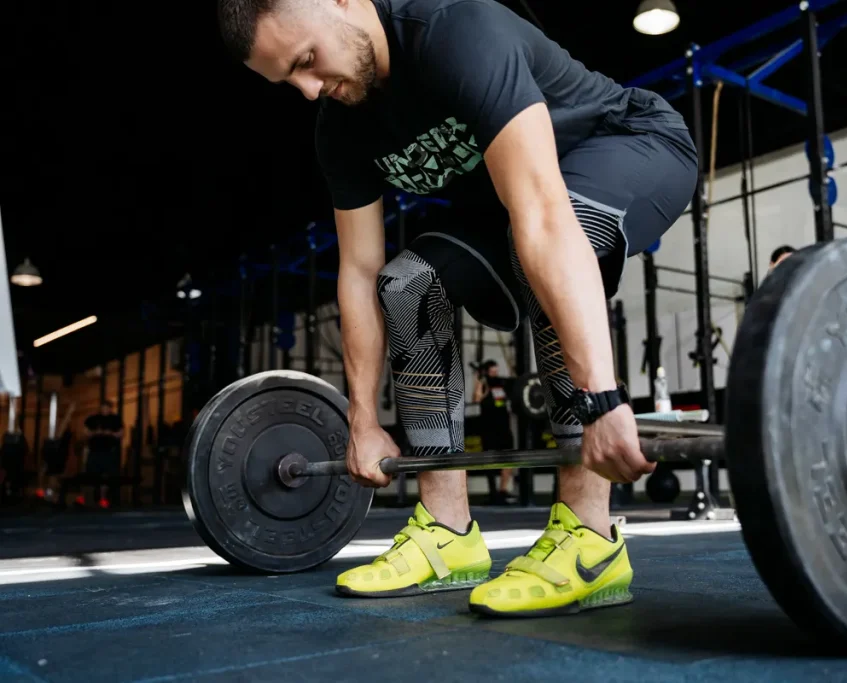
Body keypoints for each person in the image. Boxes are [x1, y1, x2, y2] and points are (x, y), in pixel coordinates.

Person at [218, 0, 698, 616]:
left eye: (307, 61)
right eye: (289, 80)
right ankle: (446, 532)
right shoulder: (342, 124)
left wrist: (602, 399)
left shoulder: (455, 31)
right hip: (516, 206)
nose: (310, 90)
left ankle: (590, 538)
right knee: (407, 285)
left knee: (545, 246)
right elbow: (360, 272)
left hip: (630, 143)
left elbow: (547, 217)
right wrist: (361, 419)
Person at [471, 360, 515, 503]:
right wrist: (480, 382)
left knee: (509, 457)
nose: (495, 373)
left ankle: (503, 490)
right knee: (489, 459)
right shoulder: (483, 383)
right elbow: (476, 399)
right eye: (492, 371)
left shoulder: (502, 383)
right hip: (489, 427)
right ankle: (493, 492)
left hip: (503, 425)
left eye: (496, 370)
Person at [83, 401, 124, 508]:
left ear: (110, 408)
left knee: (106, 475)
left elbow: (121, 433)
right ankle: (90, 498)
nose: (104, 409)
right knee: (92, 474)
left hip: (109, 452)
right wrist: (94, 433)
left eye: (106, 408)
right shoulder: (93, 418)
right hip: (95, 451)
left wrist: (111, 433)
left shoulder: (115, 419)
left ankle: (103, 498)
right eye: (103, 407)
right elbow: (85, 431)